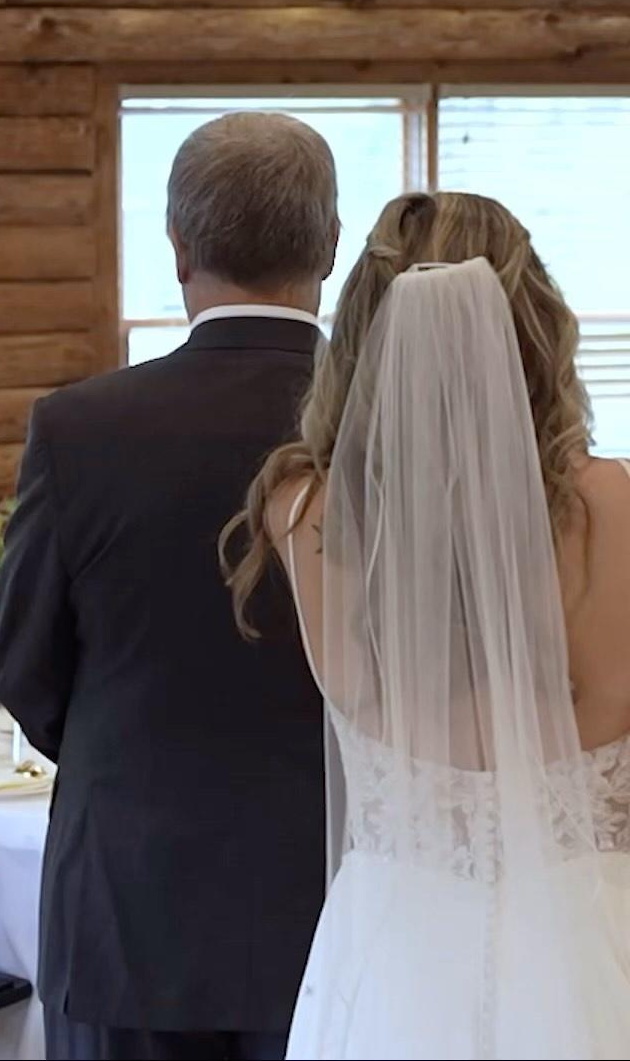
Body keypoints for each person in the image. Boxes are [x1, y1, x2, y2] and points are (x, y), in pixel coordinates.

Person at [223, 192, 630, 1059]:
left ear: (364, 331)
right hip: (592, 922)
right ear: (537, 327)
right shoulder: (617, 507)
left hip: (396, 940)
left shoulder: (302, 513)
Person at [0, 111, 338, 1061]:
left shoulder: (79, 428)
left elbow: (20, 664)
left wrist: (126, 749)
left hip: (128, 901)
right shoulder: (387, 429)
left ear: (178, 247)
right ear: (331, 247)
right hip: (337, 902)